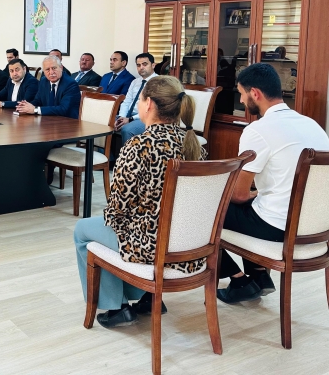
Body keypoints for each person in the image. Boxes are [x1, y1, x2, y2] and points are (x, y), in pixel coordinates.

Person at [74, 76, 203, 327]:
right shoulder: (194, 146)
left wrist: (114, 219)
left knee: (83, 230)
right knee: (110, 227)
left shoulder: (138, 145)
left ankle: (117, 307)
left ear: (149, 104)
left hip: (149, 245)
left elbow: (117, 209)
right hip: (188, 243)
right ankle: (146, 296)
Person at [217, 63, 329, 304]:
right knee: (255, 205)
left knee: (202, 211)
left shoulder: (258, 130)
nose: (241, 100)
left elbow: (238, 195)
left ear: (255, 93)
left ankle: (240, 282)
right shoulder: (313, 125)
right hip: (315, 227)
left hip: (278, 227)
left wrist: (254, 194)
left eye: (242, 93)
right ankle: (259, 277)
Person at [16, 55, 81, 118]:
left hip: (67, 121)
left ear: (61, 68)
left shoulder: (70, 84)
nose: (51, 72)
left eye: (54, 68)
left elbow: (63, 109)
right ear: (43, 72)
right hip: (48, 120)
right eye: (47, 69)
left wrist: (35, 110)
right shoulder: (43, 81)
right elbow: (38, 100)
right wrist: (26, 107)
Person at [114, 53, 158, 144]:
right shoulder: (135, 82)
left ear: (153, 65)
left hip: (146, 118)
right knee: (106, 122)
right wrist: (122, 117)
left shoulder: (159, 82)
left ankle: (127, 153)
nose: (141, 67)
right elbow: (127, 101)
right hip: (128, 115)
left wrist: (130, 119)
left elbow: (152, 108)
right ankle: (107, 153)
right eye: (138, 65)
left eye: (144, 64)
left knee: (127, 130)